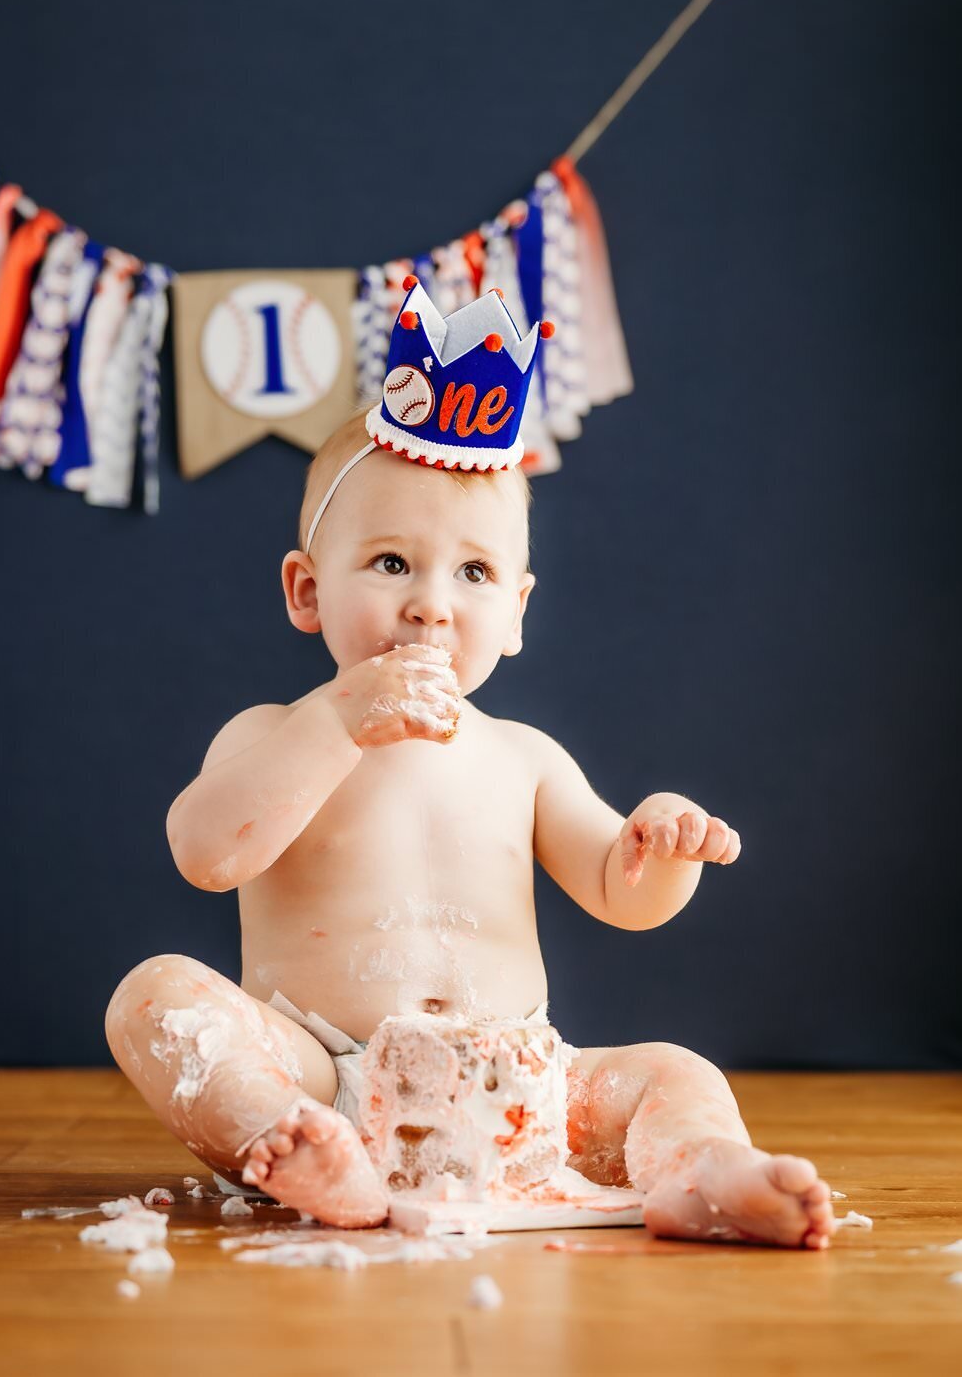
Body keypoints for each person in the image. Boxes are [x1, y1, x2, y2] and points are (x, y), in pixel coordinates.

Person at [105, 280, 835, 1247]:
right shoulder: (273, 732)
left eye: (474, 573)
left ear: (519, 611)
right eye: (392, 563)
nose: (431, 605)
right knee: (153, 996)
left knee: (673, 1071)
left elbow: (623, 894)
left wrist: (658, 846)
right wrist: (336, 725)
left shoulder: (524, 757)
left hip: (520, 1082)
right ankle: (291, 1144)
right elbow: (207, 853)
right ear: (306, 591)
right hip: (323, 1067)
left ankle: (698, 1170)